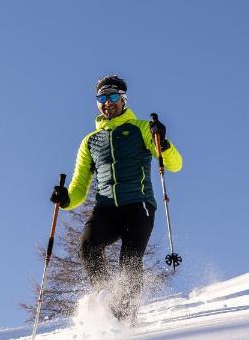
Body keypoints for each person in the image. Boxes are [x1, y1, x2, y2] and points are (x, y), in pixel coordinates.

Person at [50, 75, 183, 322]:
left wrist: (162, 142)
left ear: (123, 100)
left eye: (112, 97)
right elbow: (79, 187)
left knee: (130, 259)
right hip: (106, 209)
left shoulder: (142, 129)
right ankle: (104, 297)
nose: (107, 103)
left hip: (138, 205)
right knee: (88, 245)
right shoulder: (89, 141)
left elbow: (174, 165)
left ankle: (125, 315)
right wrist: (65, 198)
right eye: (102, 98)